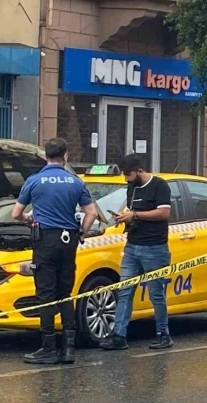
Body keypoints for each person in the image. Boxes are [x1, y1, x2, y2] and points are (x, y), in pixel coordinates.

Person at [12, 138, 96, 365]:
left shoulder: (35, 180)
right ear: (65, 155)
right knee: (65, 294)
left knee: (46, 295)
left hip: (45, 241)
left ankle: (48, 347)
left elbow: (16, 213)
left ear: (45, 156)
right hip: (68, 240)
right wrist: (82, 233)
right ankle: (68, 349)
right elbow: (92, 213)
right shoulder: (75, 181)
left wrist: (29, 220)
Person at [99, 154, 173, 350]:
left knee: (156, 293)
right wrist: (125, 217)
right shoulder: (131, 188)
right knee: (125, 291)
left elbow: (164, 213)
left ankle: (163, 334)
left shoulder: (160, 185)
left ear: (140, 171)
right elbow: (133, 211)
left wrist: (136, 215)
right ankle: (119, 336)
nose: (126, 179)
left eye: (129, 174)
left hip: (154, 247)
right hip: (132, 246)